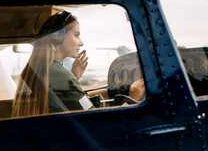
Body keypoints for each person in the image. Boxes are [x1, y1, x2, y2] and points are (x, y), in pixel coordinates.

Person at [11, 11, 144, 117]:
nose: (81, 43)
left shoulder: (41, 69)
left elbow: (66, 101)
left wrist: (73, 77)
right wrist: (131, 100)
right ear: (58, 36)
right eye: (76, 35)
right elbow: (92, 121)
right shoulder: (58, 74)